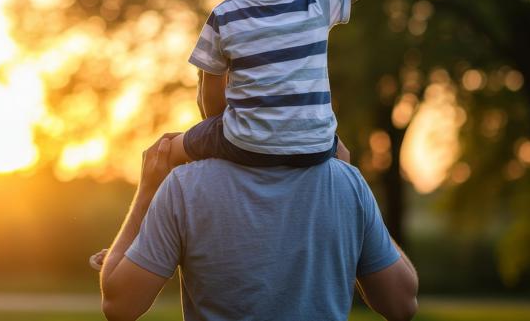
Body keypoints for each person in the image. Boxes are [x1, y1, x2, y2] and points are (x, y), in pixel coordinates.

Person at [167, 0, 470, 168]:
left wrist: (222, 132)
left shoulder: (224, 15)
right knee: (346, 158)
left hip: (246, 146)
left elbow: (211, 97)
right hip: (315, 148)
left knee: (166, 150)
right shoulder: (317, 1)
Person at [98, 135, 419, 321]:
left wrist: (147, 193)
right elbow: (402, 303)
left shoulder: (185, 187)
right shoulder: (346, 182)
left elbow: (119, 305)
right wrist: (354, 191)